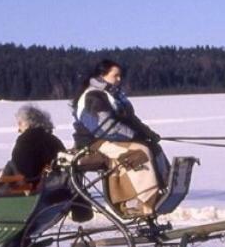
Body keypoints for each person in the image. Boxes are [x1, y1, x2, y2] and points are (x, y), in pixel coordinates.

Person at [71, 60, 168, 217]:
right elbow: (105, 127)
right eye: (115, 76)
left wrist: (148, 134)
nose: (119, 79)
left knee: (152, 146)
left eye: (120, 76)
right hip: (94, 142)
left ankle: (162, 188)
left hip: (112, 138)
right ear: (102, 75)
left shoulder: (113, 95)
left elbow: (132, 120)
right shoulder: (92, 96)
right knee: (140, 151)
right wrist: (135, 137)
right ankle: (140, 201)